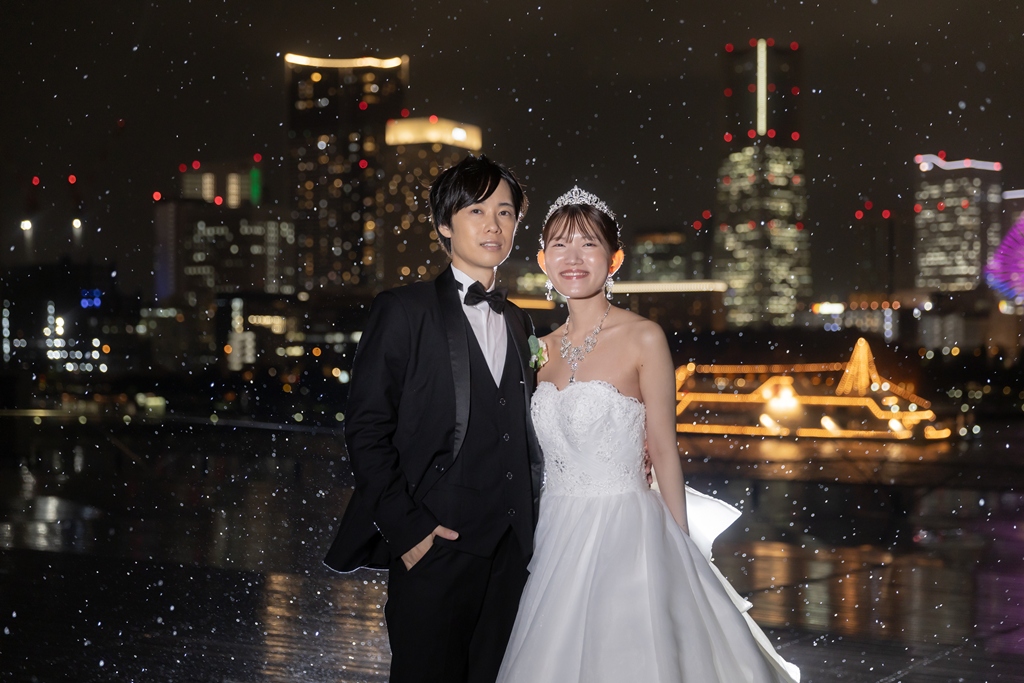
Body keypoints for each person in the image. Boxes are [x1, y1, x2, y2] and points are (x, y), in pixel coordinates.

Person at [495, 187, 801, 683]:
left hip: (628, 528)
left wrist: (681, 546)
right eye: (559, 245)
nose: (573, 258)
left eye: (588, 244)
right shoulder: (538, 348)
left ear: (614, 259)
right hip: (553, 529)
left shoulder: (643, 336)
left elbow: (662, 447)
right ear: (541, 260)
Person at [323, 155, 544, 683]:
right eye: (476, 210)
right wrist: (410, 530)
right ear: (445, 225)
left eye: (506, 212)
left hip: (514, 554)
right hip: (435, 545)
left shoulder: (521, 322)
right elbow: (366, 428)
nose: (493, 224)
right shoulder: (403, 310)